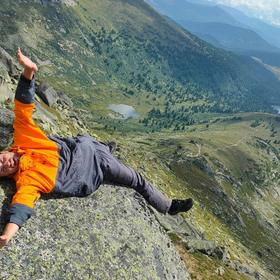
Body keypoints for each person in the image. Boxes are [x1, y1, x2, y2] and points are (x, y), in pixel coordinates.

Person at [0, 48, 193, 249]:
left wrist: (29, 72)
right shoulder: (27, 181)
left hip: (86, 147)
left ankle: (166, 204)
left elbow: (22, 108)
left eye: (1, 160)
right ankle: (169, 207)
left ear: (3, 151)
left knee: (96, 148)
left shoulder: (24, 139)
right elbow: (22, 206)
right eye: (3, 170)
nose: (5, 164)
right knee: (135, 180)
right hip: (95, 168)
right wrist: (7, 235)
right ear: (7, 177)